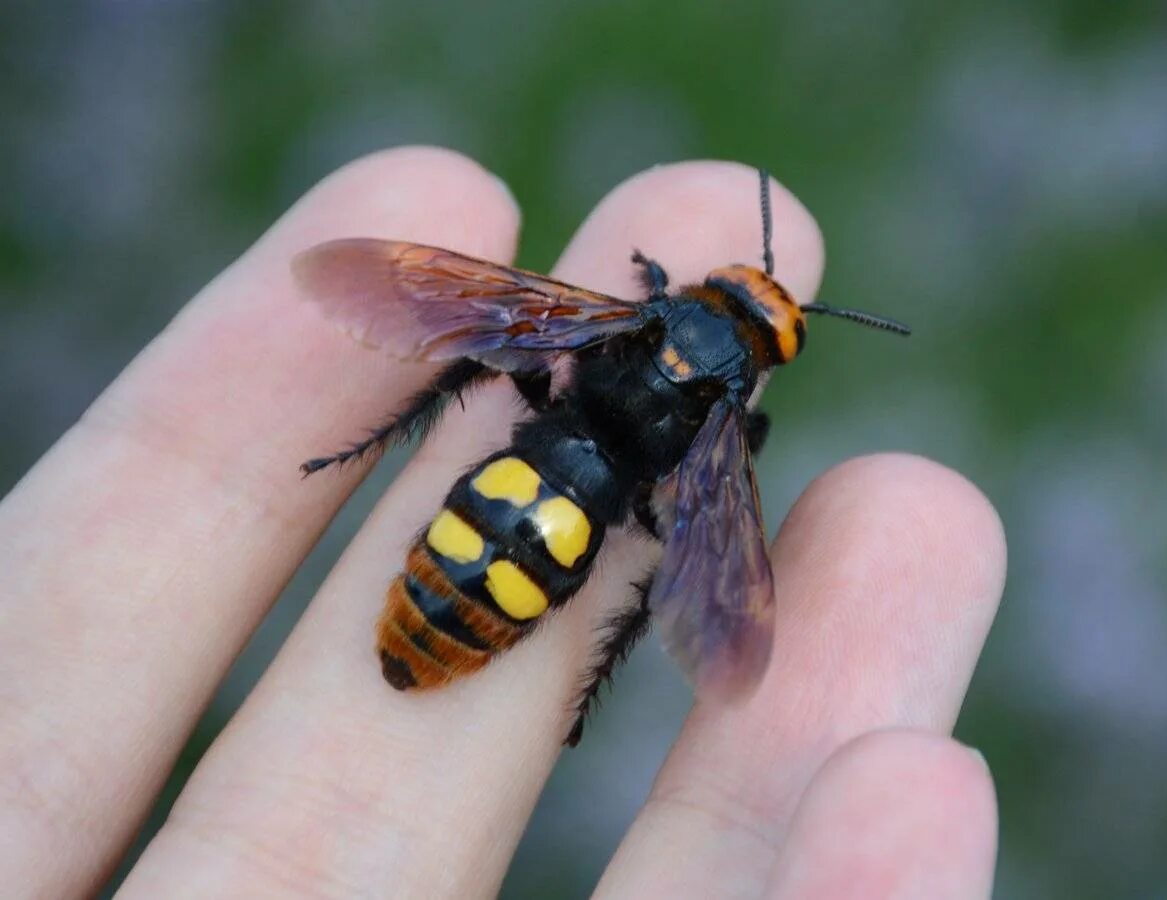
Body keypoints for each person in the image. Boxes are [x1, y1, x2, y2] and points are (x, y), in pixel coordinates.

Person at [0, 148, 1006, 898]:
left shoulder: (615, 318)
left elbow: (461, 311)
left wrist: (649, 300)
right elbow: (716, 523)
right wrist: (726, 465)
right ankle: (587, 678)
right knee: (665, 561)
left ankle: (368, 453)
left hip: (516, 491)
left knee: (479, 358)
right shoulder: (725, 435)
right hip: (565, 537)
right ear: (763, 368)